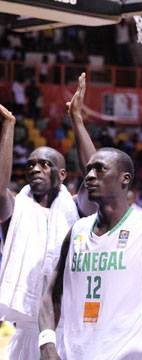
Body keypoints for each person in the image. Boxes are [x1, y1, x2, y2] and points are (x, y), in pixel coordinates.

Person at [38, 148, 142, 360]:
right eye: (89, 170)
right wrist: (47, 343)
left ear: (125, 179)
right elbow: (50, 294)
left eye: (100, 169)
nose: (90, 176)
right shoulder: (76, 231)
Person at [0, 74, 96, 360]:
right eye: (30, 164)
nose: (35, 168)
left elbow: (95, 175)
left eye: (45, 163)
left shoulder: (76, 209)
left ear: (62, 174)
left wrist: (77, 119)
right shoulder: (16, 209)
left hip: (69, 330)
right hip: (27, 332)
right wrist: (8, 127)